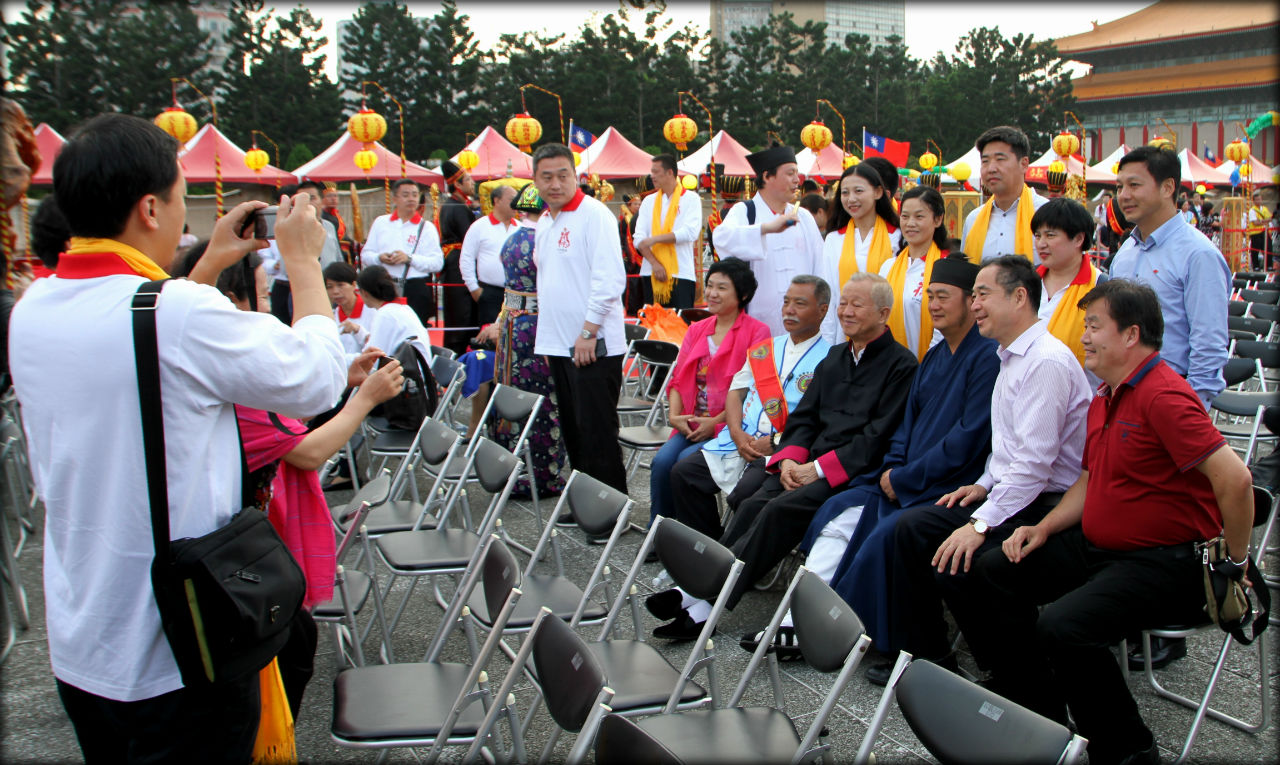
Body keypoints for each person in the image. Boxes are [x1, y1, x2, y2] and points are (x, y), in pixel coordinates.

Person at [8, 113, 347, 761]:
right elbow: (317, 379)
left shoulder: (33, 310)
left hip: (86, 642)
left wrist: (213, 257)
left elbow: (142, 344)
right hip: (181, 645)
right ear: (149, 207)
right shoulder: (180, 315)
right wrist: (304, 264)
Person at [967, 279, 1255, 765]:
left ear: (1130, 335)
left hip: (1165, 562)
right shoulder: (1106, 393)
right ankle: (1042, 712)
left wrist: (1237, 562)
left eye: (1095, 325)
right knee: (994, 569)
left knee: (1063, 626)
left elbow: (1237, 480)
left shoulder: (1164, 395)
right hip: (1104, 548)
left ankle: (1128, 748)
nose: (1084, 335)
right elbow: (1088, 479)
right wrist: (1046, 527)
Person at [173, 243, 404, 718]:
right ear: (232, 302)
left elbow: (290, 405)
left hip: (242, 546)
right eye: (260, 292)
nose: (268, 305)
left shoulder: (203, 371)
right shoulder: (231, 391)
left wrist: (340, 379)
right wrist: (364, 401)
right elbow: (308, 451)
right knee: (279, 670)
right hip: (248, 558)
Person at [740, 256, 999, 658]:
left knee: (863, 527)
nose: (933, 305)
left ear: (970, 301)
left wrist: (903, 475)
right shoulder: (933, 356)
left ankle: (848, 634)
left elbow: (966, 439)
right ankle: (794, 620)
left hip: (941, 483)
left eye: (943, 296)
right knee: (822, 515)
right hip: (896, 476)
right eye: (929, 296)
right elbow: (903, 429)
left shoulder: (980, 358)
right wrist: (895, 467)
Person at [646, 273, 918, 640]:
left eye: (857, 304)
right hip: (802, 464)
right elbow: (804, 418)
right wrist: (790, 459)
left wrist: (817, 469)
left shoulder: (902, 366)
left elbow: (876, 438)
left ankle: (703, 599)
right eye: (844, 303)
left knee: (776, 510)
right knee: (753, 503)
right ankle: (701, 595)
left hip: (847, 475)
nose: (846, 312)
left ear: (884, 313)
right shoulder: (837, 357)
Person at [865, 255, 1093, 685]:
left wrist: (981, 522)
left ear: (1020, 297)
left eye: (983, 295)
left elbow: (1033, 467)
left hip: (1047, 503)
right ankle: (930, 655)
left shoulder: (1045, 361)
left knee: (960, 558)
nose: (976, 306)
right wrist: (982, 485)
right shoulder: (1010, 356)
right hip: (1010, 490)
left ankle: (1014, 672)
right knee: (909, 528)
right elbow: (1006, 452)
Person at [668, 275, 832, 539]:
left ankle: (731, 562)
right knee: (684, 474)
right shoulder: (765, 349)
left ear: (822, 310)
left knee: (745, 496)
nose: (789, 310)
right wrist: (735, 432)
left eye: (799, 304)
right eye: (786, 302)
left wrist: (778, 441)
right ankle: (708, 547)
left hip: (781, 450)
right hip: (738, 439)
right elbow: (736, 391)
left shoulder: (831, 360)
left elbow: (822, 421)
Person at [532, 143, 629, 494]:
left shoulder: (595, 215)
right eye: (547, 177)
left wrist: (588, 331)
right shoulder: (544, 220)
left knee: (597, 431)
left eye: (563, 175)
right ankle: (586, 503)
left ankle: (609, 509)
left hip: (593, 344)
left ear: (576, 177)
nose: (555, 184)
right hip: (560, 344)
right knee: (573, 430)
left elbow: (609, 280)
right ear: (535, 181)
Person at [648, 258, 769, 526]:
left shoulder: (757, 333)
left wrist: (714, 422)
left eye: (722, 288)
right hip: (691, 422)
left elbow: (751, 394)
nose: (712, 293)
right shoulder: (697, 329)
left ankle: (691, 534)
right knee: (661, 463)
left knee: (682, 463)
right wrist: (675, 416)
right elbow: (679, 378)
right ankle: (660, 530)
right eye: (710, 285)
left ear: (743, 294)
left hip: (727, 426)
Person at [1109, 145, 1229, 410]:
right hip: (1123, 392)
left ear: (1167, 188)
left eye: (1134, 185)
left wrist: (1191, 408)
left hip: (1171, 396)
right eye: (1119, 187)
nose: (1124, 196)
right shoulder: (1125, 253)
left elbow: (1208, 344)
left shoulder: (1198, 254)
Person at [474, 183, 569, 497]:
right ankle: (543, 474)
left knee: (513, 396)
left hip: (513, 326)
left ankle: (509, 467)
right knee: (543, 400)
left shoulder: (511, 239)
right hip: (539, 327)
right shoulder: (545, 239)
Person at [713, 144, 824, 336]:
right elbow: (721, 239)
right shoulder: (745, 212)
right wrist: (765, 229)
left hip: (803, 321)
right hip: (758, 320)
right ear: (767, 176)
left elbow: (820, 267)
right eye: (790, 174)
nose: (797, 180)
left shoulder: (804, 217)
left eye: (797, 174)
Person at [820, 163, 901, 343]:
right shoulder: (834, 239)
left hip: (889, 333)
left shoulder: (897, 237)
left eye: (858, 191)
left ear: (878, 192)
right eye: (845, 192)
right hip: (844, 335)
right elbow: (830, 293)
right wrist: (828, 342)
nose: (851, 199)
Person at [1032, 197, 1105, 374]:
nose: (1041, 243)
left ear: (1078, 239)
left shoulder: (1100, 287)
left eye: (1050, 235)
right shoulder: (1026, 281)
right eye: (1038, 235)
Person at [361, 179, 445, 331]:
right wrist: (379, 258)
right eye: (406, 195)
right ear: (395, 199)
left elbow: (437, 262)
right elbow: (365, 255)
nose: (411, 199)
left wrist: (409, 259)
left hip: (415, 287)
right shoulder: (381, 223)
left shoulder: (426, 227)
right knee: (385, 329)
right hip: (385, 285)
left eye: (415, 195)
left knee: (414, 332)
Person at [961, 125, 1049, 264]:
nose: (991, 168)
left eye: (1000, 159)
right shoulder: (974, 219)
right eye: (985, 161)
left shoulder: (1046, 213)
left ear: (1024, 164)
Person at [878, 185, 947, 361]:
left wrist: (926, 367)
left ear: (937, 220)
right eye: (905, 216)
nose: (910, 223)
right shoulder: (888, 266)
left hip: (929, 365)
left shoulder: (945, 267)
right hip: (890, 368)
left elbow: (945, 329)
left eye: (919, 216)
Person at [634, 154, 703, 309]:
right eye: (651, 172)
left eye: (656, 171)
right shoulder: (648, 201)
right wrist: (655, 264)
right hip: (650, 273)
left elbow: (689, 233)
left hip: (681, 274)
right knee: (653, 327)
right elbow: (638, 239)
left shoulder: (691, 199)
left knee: (680, 327)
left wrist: (655, 239)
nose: (652, 176)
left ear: (670, 173)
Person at [438, 159, 482, 355]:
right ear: (457, 184)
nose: (472, 183)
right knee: (461, 311)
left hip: (455, 258)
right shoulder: (457, 207)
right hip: (458, 262)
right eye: (469, 180)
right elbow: (469, 236)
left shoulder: (454, 205)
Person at [460, 183, 519, 327]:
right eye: (511, 199)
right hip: (489, 293)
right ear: (497, 201)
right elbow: (466, 258)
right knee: (490, 337)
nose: (516, 203)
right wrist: (475, 289)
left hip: (515, 293)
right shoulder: (480, 226)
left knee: (514, 332)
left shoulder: (520, 228)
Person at [351, 264, 433, 366]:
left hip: (409, 378)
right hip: (419, 372)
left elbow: (373, 359)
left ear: (364, 292)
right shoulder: (403, 308)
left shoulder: (385, 314)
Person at [323, 261, 376, 362]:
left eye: (340, 285)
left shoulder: (372, 310)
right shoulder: (331, 316)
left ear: (354, 285)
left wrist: (358, 331)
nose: (335, 291)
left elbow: (379, 345)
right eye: (330, 287)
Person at [320, 181, 357, 264]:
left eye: (335, 196)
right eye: (329, 196)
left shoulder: (336, 215)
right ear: (322, 198)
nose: (333, 199)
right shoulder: (322, 217)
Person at [1247, 188, 1274, 271]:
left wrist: (1262, 221)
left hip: (1265, 231)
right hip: (1255, 233)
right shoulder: (1252, 210)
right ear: (1254, 201)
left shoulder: (1264, 209)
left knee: (1268, 248)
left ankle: (1269, 265)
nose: (1258, 201)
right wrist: (1264, 221)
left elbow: (1270, 218)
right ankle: (1256, 266)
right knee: (1255, 250)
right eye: (1256, 200)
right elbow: (1255, 222)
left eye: (1260, 199)